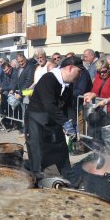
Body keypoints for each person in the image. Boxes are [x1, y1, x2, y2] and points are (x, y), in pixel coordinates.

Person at [27, 56, 84, 187]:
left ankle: (69, 178)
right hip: (36, 118)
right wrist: (65, 122)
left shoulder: (69, 85)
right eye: (79, 71)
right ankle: (36, 181)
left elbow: (68, 107)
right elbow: (49, 105)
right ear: (70, 68)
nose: (80, 75)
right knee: (37, 150)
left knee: (61, 148)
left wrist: (72, 123)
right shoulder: (48, 79)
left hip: (54, 118)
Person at [84, 59, 110, 140]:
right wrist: (89, 96)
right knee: (95, 134)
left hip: (109, 110)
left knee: (107, 135)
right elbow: (95, 91)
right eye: (99, 71)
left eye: (104, 71)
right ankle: (95, 149)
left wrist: (106, 100)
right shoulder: (98, 76)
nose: (102, 74)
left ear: (109, 69)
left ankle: (108, 151)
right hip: (99, 110)